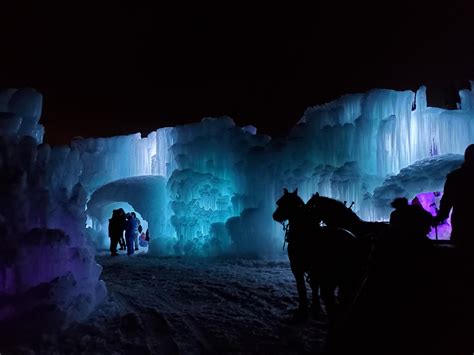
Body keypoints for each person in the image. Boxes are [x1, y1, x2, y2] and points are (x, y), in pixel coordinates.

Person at [435, 144, 474, 250]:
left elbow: (446, 202)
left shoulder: (455, 177)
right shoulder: (454, 177)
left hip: (461, 225)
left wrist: (439, 218)